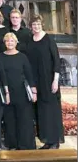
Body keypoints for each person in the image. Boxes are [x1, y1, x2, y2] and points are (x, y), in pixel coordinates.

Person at [27, 15, 64, 149]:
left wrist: (55, 81)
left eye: (38, 24)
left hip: (49, 80)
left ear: (42, 25)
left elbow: (56, 62)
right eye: (33, 25)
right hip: (36, 81)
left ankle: (54, 140)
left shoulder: (49, 40)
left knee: (51, 111)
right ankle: (47, 140)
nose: (36, 27)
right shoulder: (30, 40)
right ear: (31, 26)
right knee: (41, 112)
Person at [2, 32, 36, 150]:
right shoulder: (0, 57)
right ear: (4, 43)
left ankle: (25, 145)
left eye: (12, 41)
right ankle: (12, 144)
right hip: (7, 92)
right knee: (9, 119)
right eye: (7, 41)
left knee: (24, 119)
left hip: (22, 91)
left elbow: (29, 74)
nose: (10, 43)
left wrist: (34, 91)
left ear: (16, 42)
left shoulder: (22, 57)